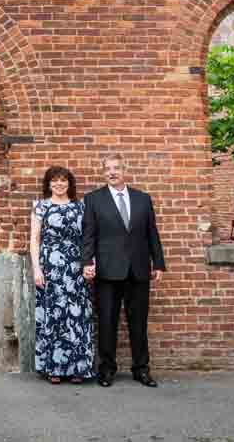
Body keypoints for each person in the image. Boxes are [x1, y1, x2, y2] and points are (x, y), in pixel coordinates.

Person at [81, 154, 165, 388]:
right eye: (107, 169)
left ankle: (141, 369)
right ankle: (107, 369)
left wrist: (158, 263)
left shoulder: (143, 199)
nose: (112, 172)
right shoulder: (93, 200)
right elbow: (89, 236)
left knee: (139, 322)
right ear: (103, 173)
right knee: (107, 322)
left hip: (138, 270)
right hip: (107, 271)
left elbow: (152, 234)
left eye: (116, 168)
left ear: (124, 170)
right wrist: (86, 262)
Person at [30, 165, 95, 384]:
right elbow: (35, 240)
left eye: (63, 180)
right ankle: (54, 368)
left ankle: (78, 368)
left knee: (76, 317)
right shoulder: (41, 207)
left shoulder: (80, 207)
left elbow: (88, 238)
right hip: (50, 268)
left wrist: (89, 262)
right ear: (48, 184)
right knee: (54, 315)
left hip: (76, 268)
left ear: (69, 183)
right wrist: (36, 269)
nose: (59, 184)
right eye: (55, 180)